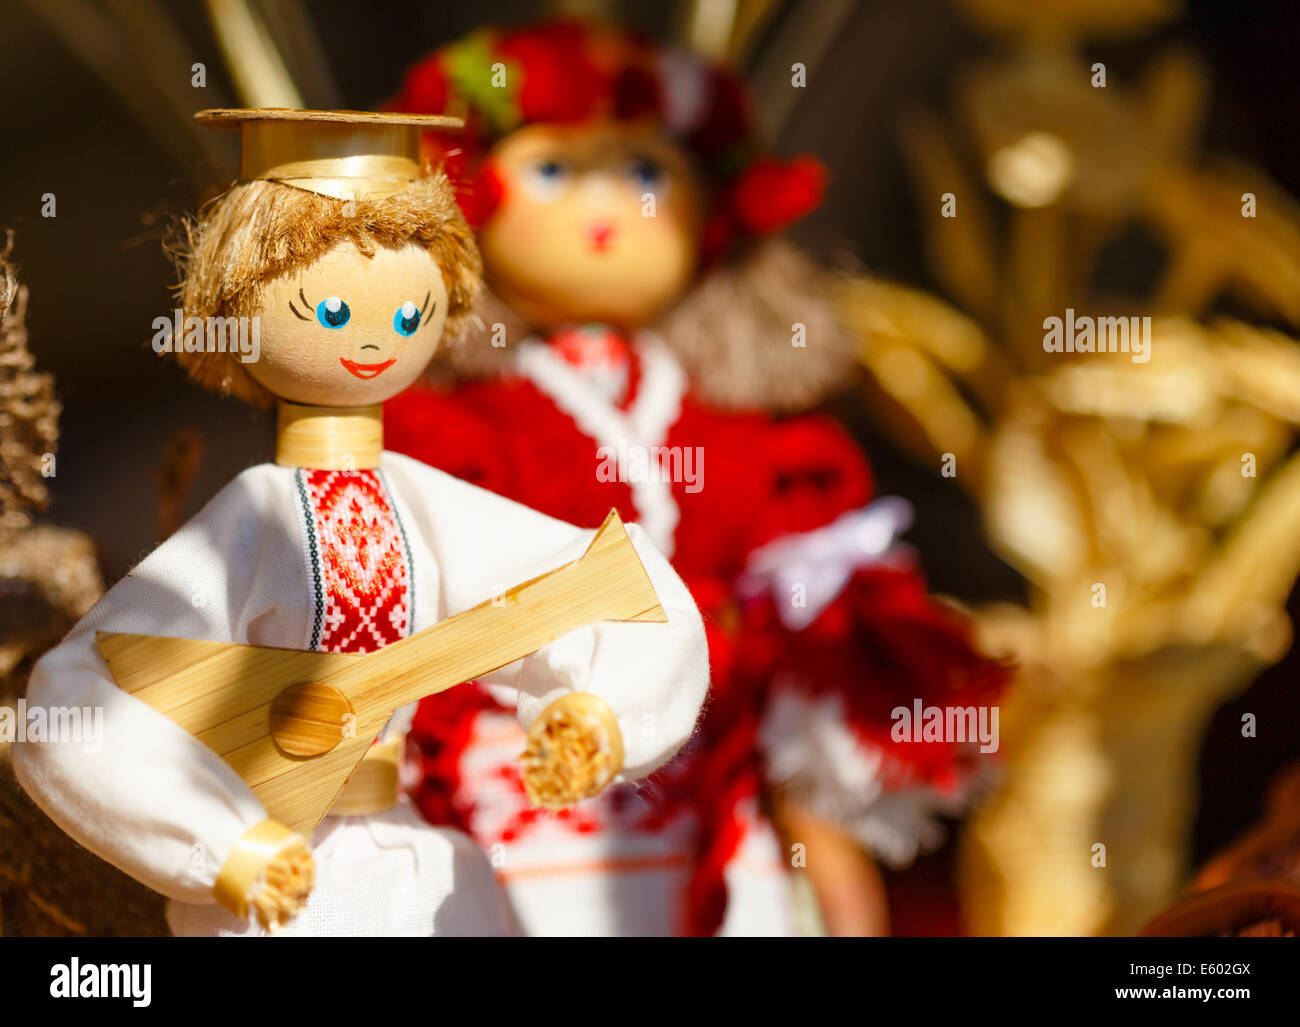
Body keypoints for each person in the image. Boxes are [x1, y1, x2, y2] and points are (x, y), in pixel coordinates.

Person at [13, 108, 708, 936]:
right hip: (284, 879)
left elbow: (611, 583)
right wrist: (222, 844)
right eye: (331, 314)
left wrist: (602, 709)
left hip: (411, 863)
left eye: (409, 316)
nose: (376, 340)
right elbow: (76, 699)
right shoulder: (256, 518)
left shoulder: (425, 503)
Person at [385, 20, 1007, 936]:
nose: (602, 212)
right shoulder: (453, 423)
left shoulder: (742, 428)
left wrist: (823, 821)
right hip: (520, 782)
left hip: (716, 792)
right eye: (553, 171)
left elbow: (806, 617)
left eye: (644, 174)